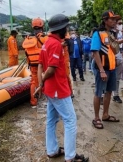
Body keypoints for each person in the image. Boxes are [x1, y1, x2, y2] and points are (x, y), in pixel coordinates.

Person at [38, 14, 89, 162]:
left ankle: (52, 150)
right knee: (70, 120)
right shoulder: (54, 44)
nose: (67, 30)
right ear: (60, 29)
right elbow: (51, 69)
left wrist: (41, 84)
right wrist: (42, 80)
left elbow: (41, 64)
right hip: (58, 89)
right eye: (65, 27)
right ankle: (70, 157)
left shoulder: (47, 43)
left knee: (51, 119)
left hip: (50, 89)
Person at [91, 10, 121, 129]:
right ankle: (96, 118)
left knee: (109, 92)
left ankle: (105, 115)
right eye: (112, 19)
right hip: (102, 70)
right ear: (105, 20)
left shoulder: (111, 34)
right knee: (99, 93)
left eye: (115, 19)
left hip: (112, 68)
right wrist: (101, 70)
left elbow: (113, 50)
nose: (114, 21)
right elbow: (95, 52)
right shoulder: (97, 34)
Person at [22, 17, 48, 108]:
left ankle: (33, 101)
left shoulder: (28, 38)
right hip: (43, 64)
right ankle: (46, 98)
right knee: (46, 79)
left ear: (32, 27)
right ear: (42, 26)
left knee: (33, 82)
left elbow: (26, 52)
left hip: (32, 64)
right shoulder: (44, 38)